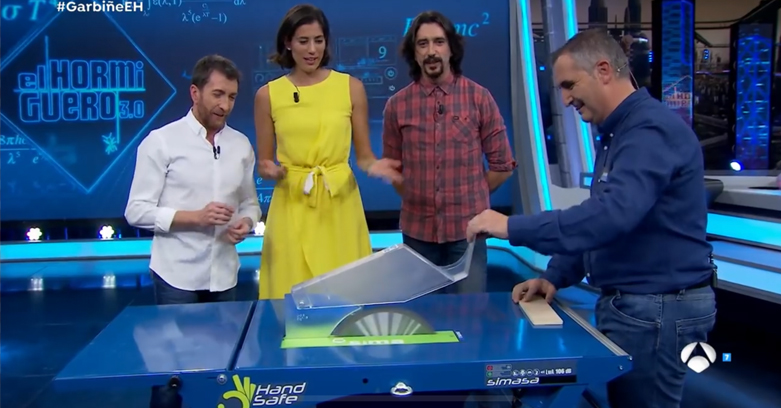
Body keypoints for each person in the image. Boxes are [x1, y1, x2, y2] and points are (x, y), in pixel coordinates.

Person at [465, 29, 717, 408]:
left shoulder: (650, 130)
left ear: (603, 70)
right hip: (641, 306)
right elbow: (604, 226)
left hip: (657, 309)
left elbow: (609, 217)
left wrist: (509, 226)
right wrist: (554, 276)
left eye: (569, 85)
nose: (565, 99)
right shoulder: (618, 133)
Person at [254, 4, 402, 299]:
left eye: (318, 40)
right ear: (288, 43)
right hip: (292, 202)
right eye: (303, 41)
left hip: (340, 205)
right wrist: (270, 170)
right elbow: (264, 162)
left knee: (347, 294)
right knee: (290, 295)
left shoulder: (351, 88)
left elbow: (364, 156)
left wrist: (374, 166)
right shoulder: (267, 95)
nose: (312, 50)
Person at [381, 11, 516, 294]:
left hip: (467, 234)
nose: (431, 51)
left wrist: (470, 196)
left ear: (451, 49)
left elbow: (503, 165)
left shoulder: (479, 98)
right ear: (414, 53)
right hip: (417, 235)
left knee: (470, 313)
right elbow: (393, 169)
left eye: (439, 42)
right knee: (423, 316)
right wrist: (420, 197)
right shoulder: (397, 106)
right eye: (423, 44)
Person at [125, 55, 261, 306]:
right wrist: (195, 217)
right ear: (195, 93)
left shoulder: (241, 145)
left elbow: (249, 203)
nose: (225, 105)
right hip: (176, 278)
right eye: (217, 94)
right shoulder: (161, 141)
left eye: (231, 97)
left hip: (225, 275)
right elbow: (136, 211)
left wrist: (246, 222)